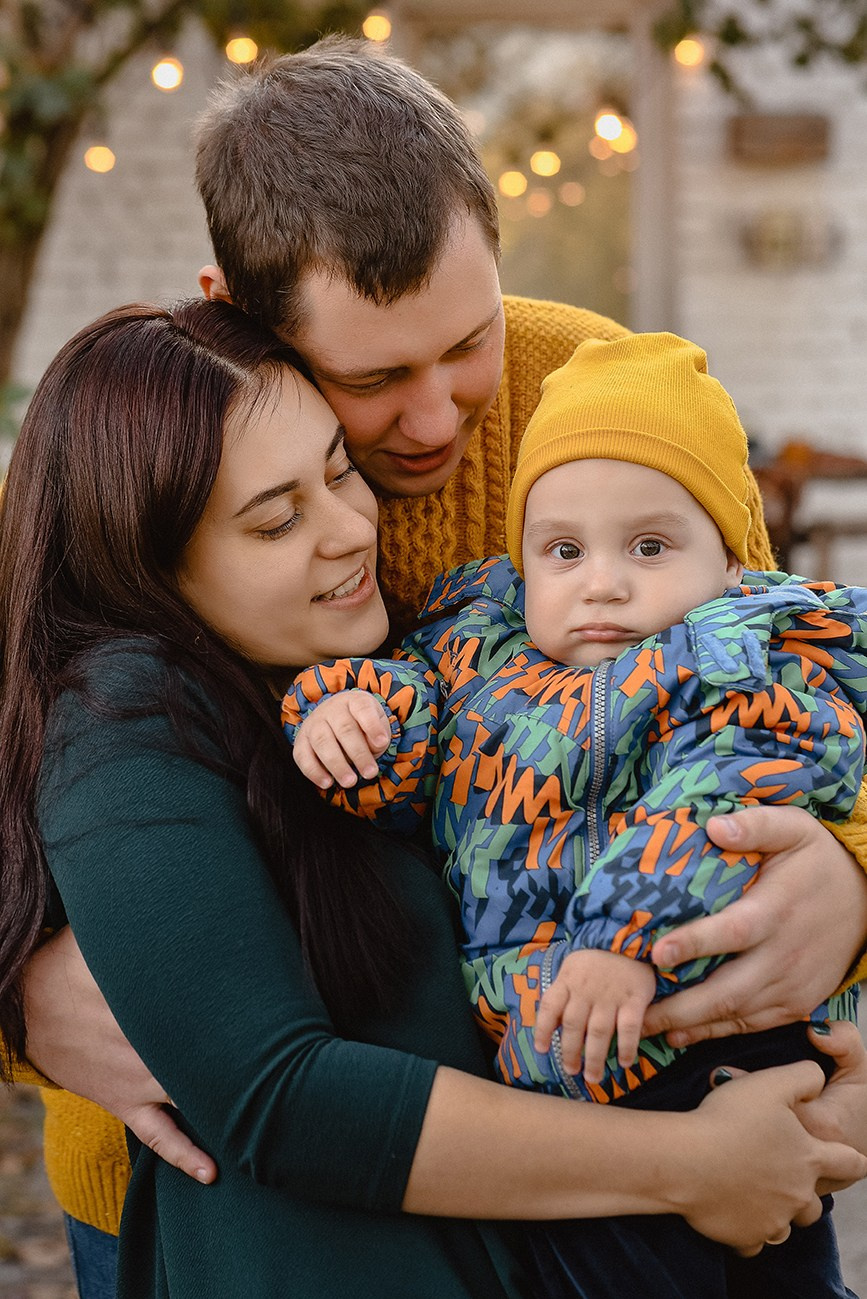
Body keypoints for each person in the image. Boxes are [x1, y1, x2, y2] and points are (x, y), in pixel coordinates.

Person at [9, 31, 867, 1289]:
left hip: (565, 1119)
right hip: (227, 1186)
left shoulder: (602, 394)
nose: (433, 418)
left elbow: (774, 684)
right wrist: (19, 998)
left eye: (468, 342)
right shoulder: (142, 484)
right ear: (235, 309)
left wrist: (851, 883)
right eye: (375, 377)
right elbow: (44, 766)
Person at [286, 330, 867, 1295]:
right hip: (555, 1066)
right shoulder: (476, 653)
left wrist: (619, 939)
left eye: (649, 547)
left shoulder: (733, 661)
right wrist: (350, 715)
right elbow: (411, 736)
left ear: (729, 563)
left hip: (706, 1043)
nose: (601, 581)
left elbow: (721, 795)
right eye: (564, 550)